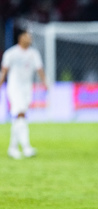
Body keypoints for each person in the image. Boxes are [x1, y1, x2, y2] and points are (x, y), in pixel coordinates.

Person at [0, 30, 47, 159]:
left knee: (21, 117)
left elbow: (39, 69)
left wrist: (45, 82)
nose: (30, 38)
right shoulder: (11, 53)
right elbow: (4, 71)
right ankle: (26, 147)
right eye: (27, 36)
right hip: (14, 87)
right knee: (20, 113)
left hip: (27, 88)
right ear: (20, 38)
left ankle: (13, 148)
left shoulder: (33, 53)